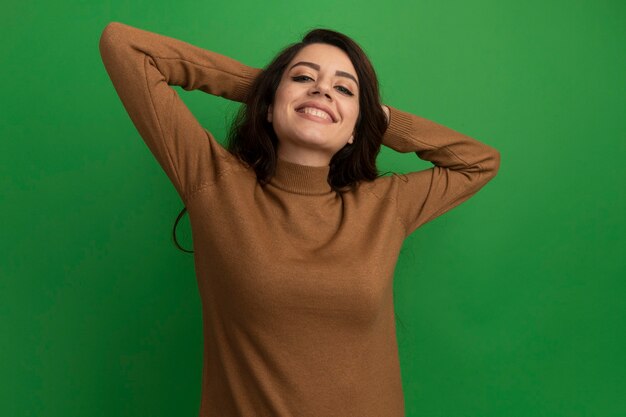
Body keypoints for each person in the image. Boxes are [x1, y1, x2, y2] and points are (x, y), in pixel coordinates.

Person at [99, 21, 500, 417]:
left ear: (355, 132)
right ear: (269, 107)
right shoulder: (216, 184)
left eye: (344, 88)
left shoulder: (383, 206)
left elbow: (478, 162)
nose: (323, 88)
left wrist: (375, 118)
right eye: (303, 76)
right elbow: (124, 46)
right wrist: (267, 89)